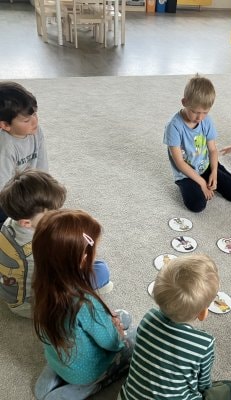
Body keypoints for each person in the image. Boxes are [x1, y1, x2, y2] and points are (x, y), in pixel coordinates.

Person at [33, 209, 137, 400]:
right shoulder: (85, 303)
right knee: (136, 337)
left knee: (120, 317)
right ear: (81, 258)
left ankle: (53, 378)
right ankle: (84, 387)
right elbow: (111, 343)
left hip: (58, 356)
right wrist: (120, 336)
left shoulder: (40, 285)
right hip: (87, 371)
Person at [119, 254, 231, 400]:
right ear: (203, 313)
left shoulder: (149, 318)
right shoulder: (204, 343)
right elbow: (203, 385)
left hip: (126, 397)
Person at [0, 169, 113, 318]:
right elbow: (63, 277)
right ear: (26, 223)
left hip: (13, 291)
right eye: (51, 213)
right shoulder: (43, 244)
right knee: (101, 270)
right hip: (31, 305)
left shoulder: (10, 222)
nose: (57, 214)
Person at [163, 74, 231, 213]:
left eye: (205, 112)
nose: (200, 117)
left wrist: (214, 173)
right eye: (195, 112)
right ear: (184, 102)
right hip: (185, 174)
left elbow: (212, 150)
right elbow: (179, 163)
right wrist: (201, 182)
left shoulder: (206, 121)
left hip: (205, 166)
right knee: (197, 205)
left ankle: (216, 171)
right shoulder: (173, 126)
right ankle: (195, 182)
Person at [0, 82, 48, 226]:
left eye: (34, 114)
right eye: (27, 120)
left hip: (24, 187)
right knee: (8, 222)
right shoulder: (6, 146)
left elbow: (42, 165)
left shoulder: (36, 132)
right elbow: (3, 188)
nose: (35, 121)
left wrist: (44, 190)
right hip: (6, 193)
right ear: (5, 125)